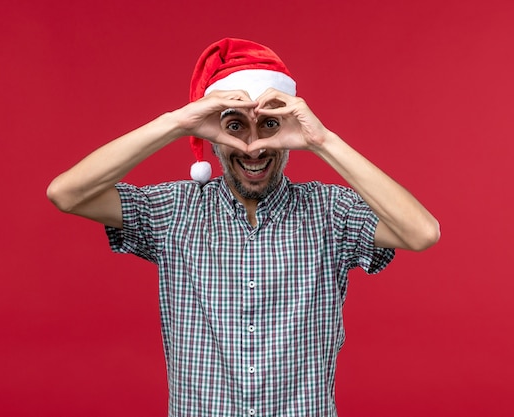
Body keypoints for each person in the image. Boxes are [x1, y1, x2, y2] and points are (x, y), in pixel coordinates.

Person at [47, 38, 440, 417]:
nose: (254, 146)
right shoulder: (175, 210)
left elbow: (421, 232)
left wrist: (322, 141)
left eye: (269, 126)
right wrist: (177, 123)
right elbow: (67, 193)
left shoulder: (329, 211)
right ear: (213, 136)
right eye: (235, 128)